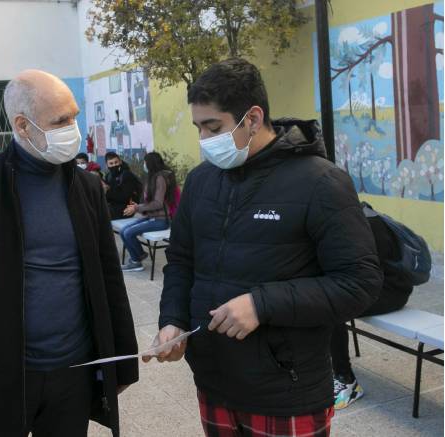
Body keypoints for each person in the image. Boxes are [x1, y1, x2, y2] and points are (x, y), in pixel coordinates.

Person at [143, 59, 382, 437]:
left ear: (252, 119)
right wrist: (172, 320)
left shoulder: (321, 182)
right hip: (214, 380)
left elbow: (360, 283)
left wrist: (261, 304)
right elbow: (182, 261)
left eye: (213, 127)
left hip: (287, 389)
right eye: (198, 128)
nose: (204, 140)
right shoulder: (201, 182)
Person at [0, 69, 139, 437]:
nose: (73, 127)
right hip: (2, 377)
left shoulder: (86, 187)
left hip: (73, 373)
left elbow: (108, 278)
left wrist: (121, 362)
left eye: (74, 115)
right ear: (23, 126)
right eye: (61, 120)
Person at [331, 204, 414, 410]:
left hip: (391, 292)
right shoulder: (352, 214)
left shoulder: (363, 223)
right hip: (376, 286)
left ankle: (347, 380)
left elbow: (362, 273)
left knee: (332, 307)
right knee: (322, 298)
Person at [119, 152, 177, 273]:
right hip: (152, 216)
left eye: (145, 162)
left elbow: (158, 203)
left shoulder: (160, 178)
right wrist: (138, 206)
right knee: (123, 231)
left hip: (161, 220)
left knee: (128, 232)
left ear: (150, 164)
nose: (144, 165)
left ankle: (136, 262)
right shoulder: (154, 176)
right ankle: (139, 255)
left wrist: (137, 208)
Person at [103, 152, 142, 220]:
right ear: (107, 165)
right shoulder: (108, 176)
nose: (114, 165)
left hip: (128, 208)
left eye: (116, 162)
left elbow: (124, 197)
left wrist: (107, 191)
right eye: (111, 163)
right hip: (114, 206)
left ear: (120, 162)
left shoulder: (126, 175)